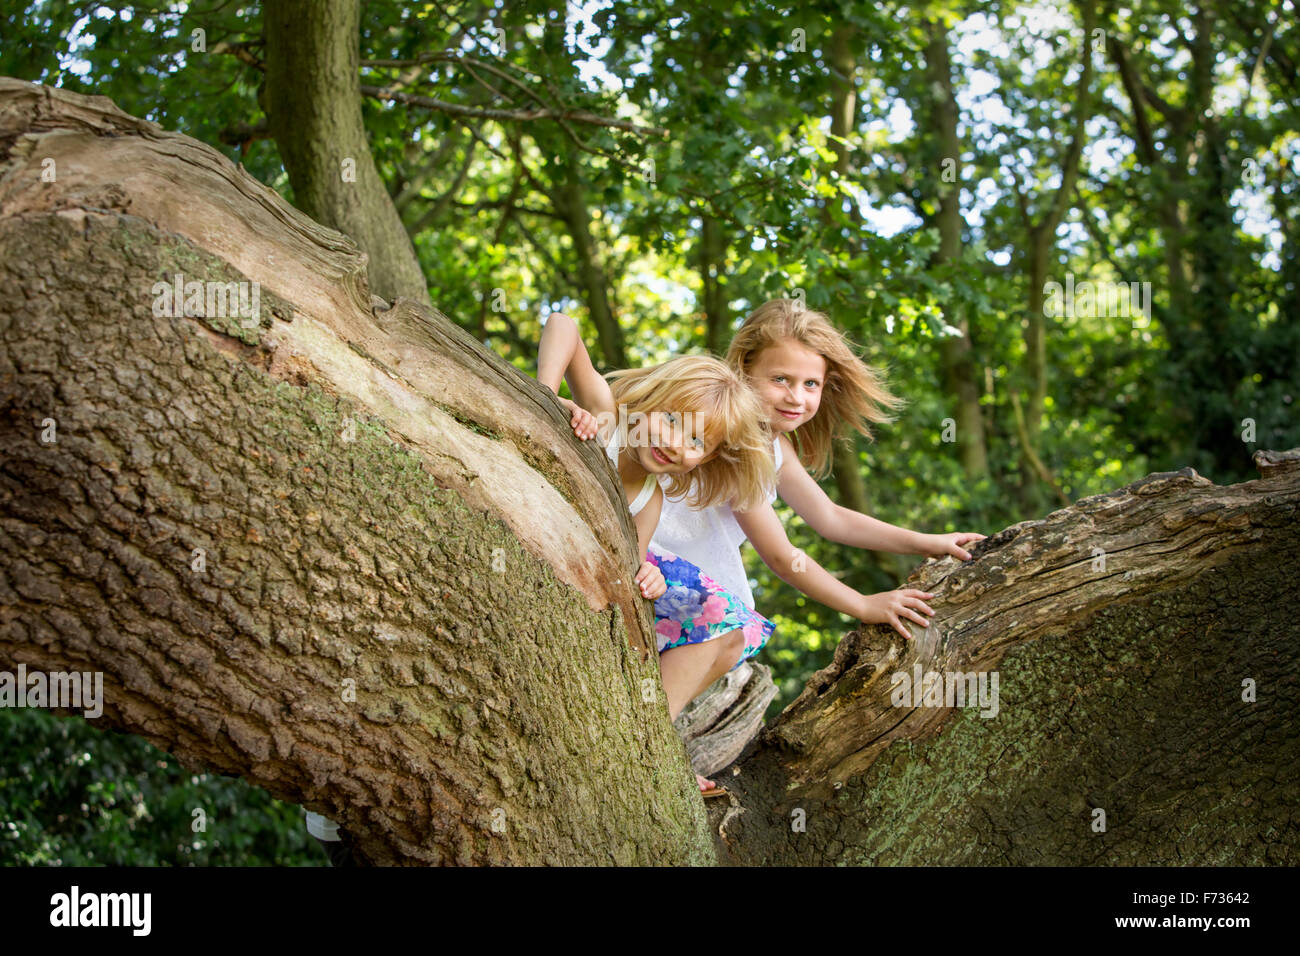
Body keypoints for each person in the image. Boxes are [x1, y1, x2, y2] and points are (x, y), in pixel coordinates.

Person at [649, 299, 986, 771]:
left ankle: (648, 741)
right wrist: (864, 604)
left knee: (727, 642)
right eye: (780, 379)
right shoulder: (735, 439)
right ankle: (648, 749)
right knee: (726, 633)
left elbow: (830, 517)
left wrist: (927, 540)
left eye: (811, 384)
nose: (797, 397)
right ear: (744, 369)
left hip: (684, 581)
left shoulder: (774, 446)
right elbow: (784, 558)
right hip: (654, 559)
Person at [539, 311, 775, 796]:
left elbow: (628, 564)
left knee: (732, 623)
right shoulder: (604, 422)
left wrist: (649, 578)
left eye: (696, 441)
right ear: (647, 404)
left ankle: (644, 734)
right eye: (671, 419)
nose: (675, 442)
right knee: (723, 616)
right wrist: (542, 395)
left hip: (583, 579)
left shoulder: (652, 499)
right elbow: (563, 322)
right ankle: (647, 738)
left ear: (705, 459)